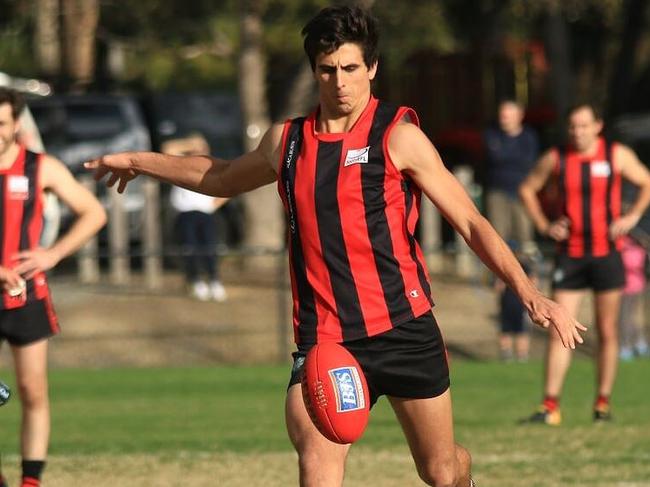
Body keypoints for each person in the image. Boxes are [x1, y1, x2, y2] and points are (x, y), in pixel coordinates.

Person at [86, 6, 586, 486]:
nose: (340, 82)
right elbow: (219, 177)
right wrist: (139, 159)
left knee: (440, 471)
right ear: (315, 71)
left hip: (404, 328)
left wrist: (529, 292)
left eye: (350, 67)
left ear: (372, 68)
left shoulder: (400, 137)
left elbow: (471, 222)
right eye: (327, 70)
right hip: (326, 342)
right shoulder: (287, 142)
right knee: (317, 470)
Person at [0, 88, 106, 487]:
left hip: (26, 298)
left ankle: (31, 480)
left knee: (31, 390)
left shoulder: (40, 167)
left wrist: (53, 253)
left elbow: (93, 213)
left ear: (16, 125)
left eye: (1, 124)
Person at [519, 103, 650, 425]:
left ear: (598, 126)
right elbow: (527, 188)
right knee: (559, 328)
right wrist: (544, 224)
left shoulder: (616, 155)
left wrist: (631, 217)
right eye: (573, 126)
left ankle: (602, 404)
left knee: (607, 331)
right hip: (571, 255)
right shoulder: (557, 157)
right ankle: (550, 406)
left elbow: (647, 182)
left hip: (607, 253)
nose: (578, 132)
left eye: (583, 126)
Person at [162, 134, 228, 302]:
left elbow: (231, 187)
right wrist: (189, 143)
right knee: (189, 247)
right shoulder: (180, 164)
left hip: (205, 213)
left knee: (209, 247)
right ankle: (195, 280)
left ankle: (214, 280)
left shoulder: (212, 165)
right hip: (185, 213)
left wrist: (213, 205)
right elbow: (167, 149)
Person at [484, 99, 539, 254]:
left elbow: (528, 162)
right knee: (497, 238)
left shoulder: (529, 137)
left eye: (508, 116)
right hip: (497, 192)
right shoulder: (491, 134)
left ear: (519, 115)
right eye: (502, 115)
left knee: (525, 237)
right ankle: (498, 276)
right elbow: (493, 158)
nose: (504, 119)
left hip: (522, 193)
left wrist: (503, 157)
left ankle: (527, 274)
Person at [494, 247, 536, 362]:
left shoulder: (503, 265)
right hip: (518, 304)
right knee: (519, 330)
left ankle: (508, 354)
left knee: (509, 330)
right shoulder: (523, 266)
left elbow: (499, 287)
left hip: (512, 303)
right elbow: (533, 282)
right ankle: (521, 355)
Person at [618, 233, 649, 360]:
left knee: (633, 317)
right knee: (626, 319)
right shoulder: (622, 245)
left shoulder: (637, 248)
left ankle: (638, 343)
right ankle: (627, 345)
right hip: (625, 288)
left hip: (637, 287)